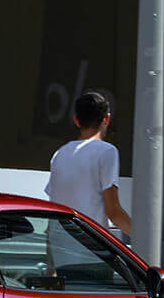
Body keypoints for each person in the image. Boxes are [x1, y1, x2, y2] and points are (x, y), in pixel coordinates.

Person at [45, 91, 133, 236]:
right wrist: (142, 239)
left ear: (77, 120)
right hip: (91, 248)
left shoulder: (59, 154)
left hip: (59, 245)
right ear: (107, 119)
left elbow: (54, 206)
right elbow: (114, 212)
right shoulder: (107, 152)